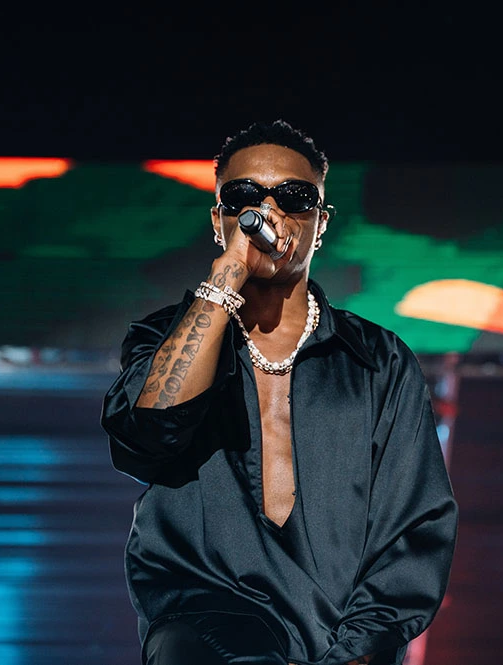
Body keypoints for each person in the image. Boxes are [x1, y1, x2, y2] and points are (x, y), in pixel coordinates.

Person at [101, 120, 457, 665]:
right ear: (219, 220)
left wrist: (355, 653)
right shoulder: (162, 340)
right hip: (203, 626)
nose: (267, 212)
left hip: (338, 640)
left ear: (321, 223)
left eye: (294, 197)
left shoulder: (379, 362)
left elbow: (414, 533)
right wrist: (227, 277)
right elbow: (146, 434)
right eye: (243, 197)